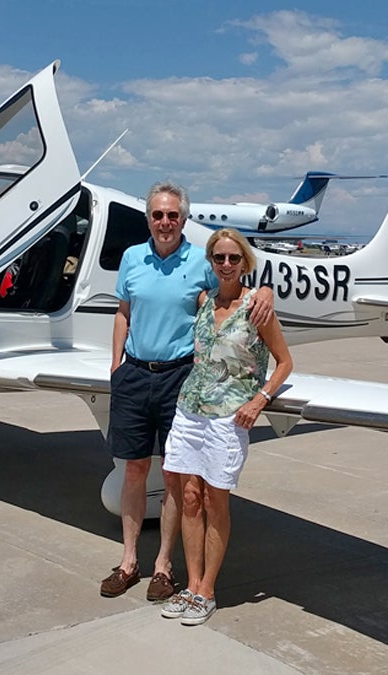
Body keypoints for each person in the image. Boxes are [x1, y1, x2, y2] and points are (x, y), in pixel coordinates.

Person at [101, 183, 274, 602]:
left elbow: (233, 288)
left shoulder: (202, 260)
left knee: (177, 478)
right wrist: (115, 367)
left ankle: (163, 566)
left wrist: (265, 290)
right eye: (158, 215)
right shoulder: (131, 258)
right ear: (149, 218)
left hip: (180, 377)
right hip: (135, 374)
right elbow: (124, 311)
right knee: (135, 469)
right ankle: (128, 561)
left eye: (173, 216)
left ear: (183, 220)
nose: (165, 222)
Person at [158, 227, 293, 625]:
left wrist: (260, 399)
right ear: (212, 262)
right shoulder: (204, 302)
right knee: (189, 497)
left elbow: (285, 361)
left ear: (245, 262)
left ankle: (208, 591)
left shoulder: (257, 307)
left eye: (235, 258)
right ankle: (191, 583)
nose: (227, 264)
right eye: (220, 258)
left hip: (228, 417)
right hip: (191, 409)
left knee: (216, 500)